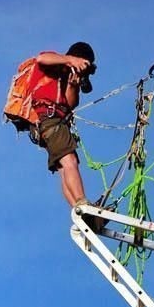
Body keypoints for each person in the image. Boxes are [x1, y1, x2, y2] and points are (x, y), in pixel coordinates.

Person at [29, 42, 96, 208]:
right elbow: (41, 58)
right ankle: (82, 202)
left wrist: (74, 84)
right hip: (49, 120)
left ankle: (78, 209)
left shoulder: (67, 77)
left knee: (63, 167)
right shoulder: (55, 61)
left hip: (53, 123)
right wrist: (71, 60)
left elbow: (70, 104)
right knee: (70, 161)